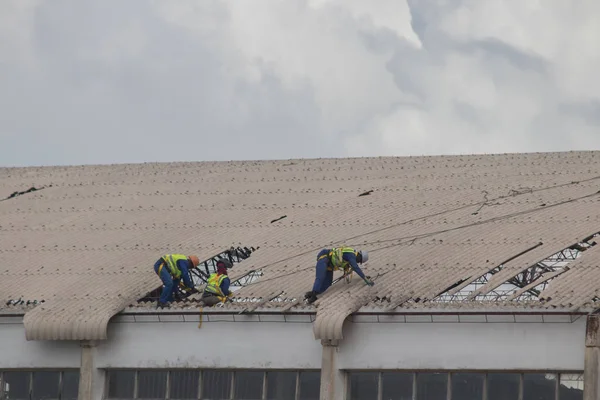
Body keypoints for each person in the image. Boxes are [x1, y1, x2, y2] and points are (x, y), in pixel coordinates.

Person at [305, 247, 373, 304]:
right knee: (320, 277)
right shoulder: (352, 255)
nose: (358, 262)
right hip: (324, 258)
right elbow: (355, 267)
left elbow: (352, 266)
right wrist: (364, 278)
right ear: (359, 256)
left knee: (328, 282)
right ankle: (313, 295)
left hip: (329, 266)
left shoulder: (351, 256)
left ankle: (314, 293)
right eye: (359, 261)